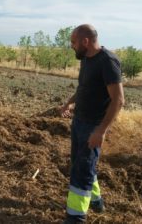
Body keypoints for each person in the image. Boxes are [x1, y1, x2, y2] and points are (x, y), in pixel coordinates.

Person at [60, 24, 125, 223]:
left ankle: (76, 217)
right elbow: (84, 88)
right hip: (79, 121)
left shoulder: (108, 62)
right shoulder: (86, 60)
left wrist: (101, 131)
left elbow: (118, 100)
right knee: (81, 165)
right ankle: (96, 201)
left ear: (85, 41)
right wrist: (69, 104)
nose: (71, 46)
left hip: (93, 127)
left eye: (73, 42)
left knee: (82, 171)